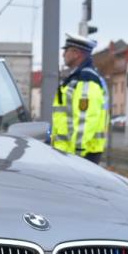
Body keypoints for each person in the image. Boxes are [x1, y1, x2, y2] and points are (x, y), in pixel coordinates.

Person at [52, 33, 109, 164]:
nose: (63, 54)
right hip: (69, 153)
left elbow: (85, 119)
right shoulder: (76, 78)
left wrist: (77, 154)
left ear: (76, 53)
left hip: (79, 156)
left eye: (66, 50)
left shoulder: (86, 80)